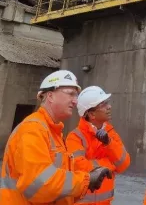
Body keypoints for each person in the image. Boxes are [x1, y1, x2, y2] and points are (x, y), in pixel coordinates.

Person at [0, 70, 112, 205]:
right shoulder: (32, 130)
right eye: (70, 94)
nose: (75, 101)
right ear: (50, 96)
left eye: (76, 95)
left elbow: (58, 183)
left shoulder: (53, 132)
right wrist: (85, 180)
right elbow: (38, 185)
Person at [66, 86, 131, 204]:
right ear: (91, 114)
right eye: (103, 104)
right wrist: (109, 166)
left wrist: (109, 143)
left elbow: (124, 164)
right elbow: (78, 167)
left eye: (107, 103)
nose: (109, 107)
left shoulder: (110, 133)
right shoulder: (75, 137)